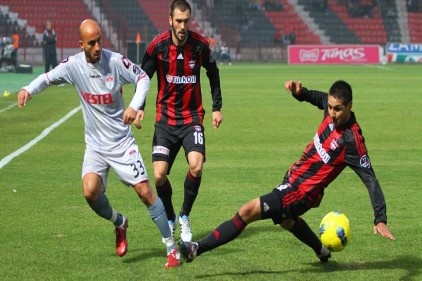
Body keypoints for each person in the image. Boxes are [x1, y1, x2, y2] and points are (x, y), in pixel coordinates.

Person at [17, 19, 180, 269]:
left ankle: (171, 247)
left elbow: (143, 78)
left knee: (146, 193)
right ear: (81, 44)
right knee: (90, 192)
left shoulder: (114, 61)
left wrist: (134, 106)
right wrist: (28, 88)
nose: (97, 47)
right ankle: (120, 222)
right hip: (95, 146)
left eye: (99, 40)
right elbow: (47, 78)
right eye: (91, 43)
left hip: (121, 143)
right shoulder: (73, 66)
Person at [179, 79, 395, 263]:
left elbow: (371, 179)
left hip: (301, 192)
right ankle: (322, 251)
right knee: (286, 220)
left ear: (349, 106)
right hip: (293, 177)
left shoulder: (352, 141)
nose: (331, 113)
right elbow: (316, 97)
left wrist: (380, 219)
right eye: (330, 107)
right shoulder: (329, 112)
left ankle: (196, 248)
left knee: (246, 211)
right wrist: (300, 93)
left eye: (337, 109)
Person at [136, 0, 223, 243]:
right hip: (165, 119)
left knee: (196, 165)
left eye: (187, 21)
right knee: (159, 175)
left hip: (192, 118)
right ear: (170, 21)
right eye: (179, 21)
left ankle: (185, 215)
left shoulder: (200, 46)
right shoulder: (158, 46)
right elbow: (144, 77)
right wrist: (139, 106)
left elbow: (213, 73)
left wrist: (217, 107)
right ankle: (172, 216)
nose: (183, 26)